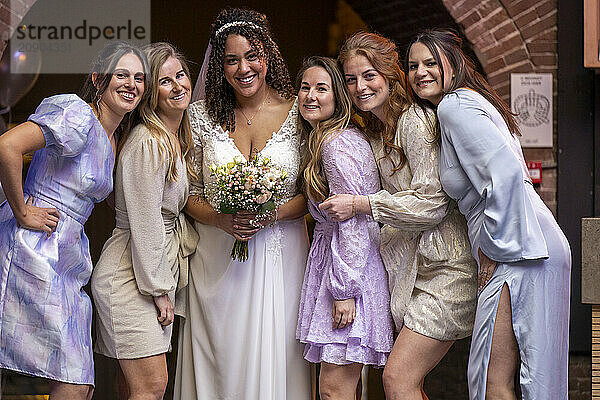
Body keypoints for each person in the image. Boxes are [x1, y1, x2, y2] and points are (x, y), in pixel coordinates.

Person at [406, 29, 571, 399]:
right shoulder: (468, 102)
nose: (420, 72)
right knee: (528, 379)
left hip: (519, 247)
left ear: (454, 63)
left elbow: (508, 175)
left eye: (431, 62)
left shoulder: (454, 106)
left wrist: (494, 249)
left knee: (489, 380)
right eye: (413, 65)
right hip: (532, 241)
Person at [320, 31, 477, 400]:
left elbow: (432, 203)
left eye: (369, 75)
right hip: (411, 272)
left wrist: (362, 204)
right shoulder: (374, 133)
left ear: (391, 75)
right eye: (351, 79)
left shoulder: (416, 121)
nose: (360, 87)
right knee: (404, 382)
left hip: (446, 270)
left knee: (398, 379)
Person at [173, 8, 311, 400]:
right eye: (231, 60)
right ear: (220, 66)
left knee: (280, 355)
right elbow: (189, 193)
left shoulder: (298, 113)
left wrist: (273, 214)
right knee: (223, 362)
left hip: (282, 257)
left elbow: (313, 193)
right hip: (217, 259)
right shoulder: (199, 117)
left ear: (268, 56)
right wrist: (220, 219)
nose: (243, 68)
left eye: (252, 56)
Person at [0, 41, 148, 399]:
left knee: (79, 380)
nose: (132, 84)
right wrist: (22, 210)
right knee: (72, 377)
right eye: (122, 75)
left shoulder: (114, 140)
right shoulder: (77, 114)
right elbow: (7, 145)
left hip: (70, 257)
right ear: (98, 79)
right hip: (34, 248)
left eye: (140, 78)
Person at [91, 42, 198, 400]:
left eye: (180, 75)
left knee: (136, 388)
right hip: (130, 277)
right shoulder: (148, 141)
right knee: (151, 386)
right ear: (152, 94)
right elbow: (145, 219)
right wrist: (159, 289)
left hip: (149, 271)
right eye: (165, 81)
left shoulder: (172, 140)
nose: (178, 86)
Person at [295, 56, 394, 400]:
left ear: (338, 96)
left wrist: (345, 291)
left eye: (321, 88)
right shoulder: (326, 140)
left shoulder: (337, 145)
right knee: (340, 390)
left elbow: (352, 221)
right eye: (304, 87)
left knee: (334, 389)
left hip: (350, 273)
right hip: (336, 266)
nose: (310, 95)